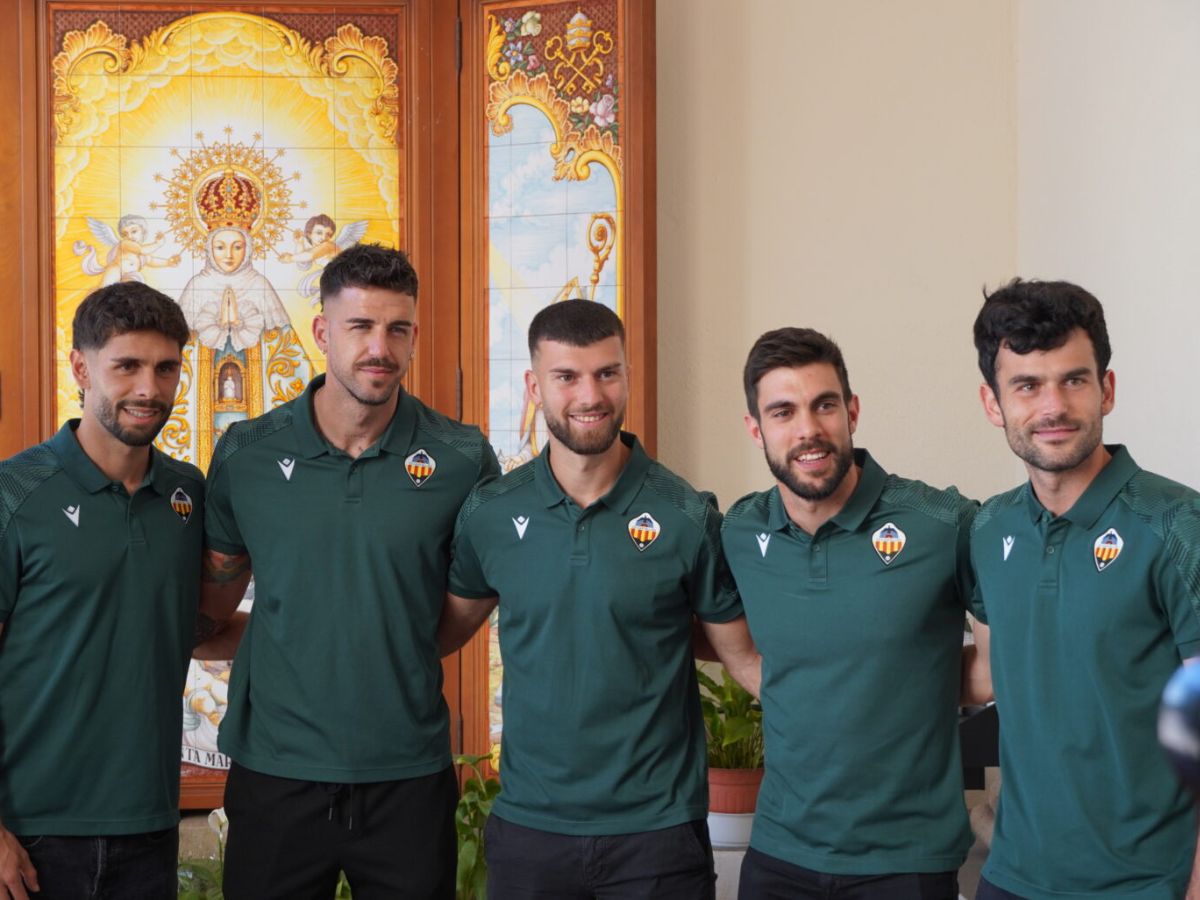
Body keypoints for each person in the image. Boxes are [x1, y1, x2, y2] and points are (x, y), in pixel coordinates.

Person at [194, 243, 499, 900]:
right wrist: (292, 633)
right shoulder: (247, 453)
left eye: (397, 329)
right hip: (275, 774)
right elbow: (212, 602)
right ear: (322, 332)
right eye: (360, 327)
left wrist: (387, 638)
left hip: (407, 774)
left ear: (415, 337)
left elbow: (465, 605)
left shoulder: (462, 457)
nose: (378, 348)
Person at [440, 299, 759, 900]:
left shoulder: (687, 514)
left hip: (658, 833)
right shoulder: (490, 513)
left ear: (627, 376)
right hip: (531, 829)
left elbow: (744, 660)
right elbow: (439, 634)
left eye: (607, 372)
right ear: (534, 386)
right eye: (567, 377)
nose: (591, 394)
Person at [721, 327, 984, 900]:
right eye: (783, 412)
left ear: (852, 411)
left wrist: (914, 682)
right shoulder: (740, 532)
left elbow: (1003, 657)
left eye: (824, 405)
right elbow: (734, 648)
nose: (808, 430)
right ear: (755, 429)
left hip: (907, 859)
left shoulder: (942, 522)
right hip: (778, 855)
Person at [970, 279, 1200, 900]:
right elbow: (992, 671)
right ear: (993, 404)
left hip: (1144, 883)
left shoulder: (1178, 524)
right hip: (1012, 876)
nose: (1054, 407)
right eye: (1026, 385)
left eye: (1073, 380)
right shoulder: (989, 529)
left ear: (1107, 389)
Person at [0, 282, 201, 900]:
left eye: (165, 368)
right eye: (128, 366)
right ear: (81, 367)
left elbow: (190, 626)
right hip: (33, 831)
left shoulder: (188, 495)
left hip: (149, 823)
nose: (149, 388)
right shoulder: (14, 495)